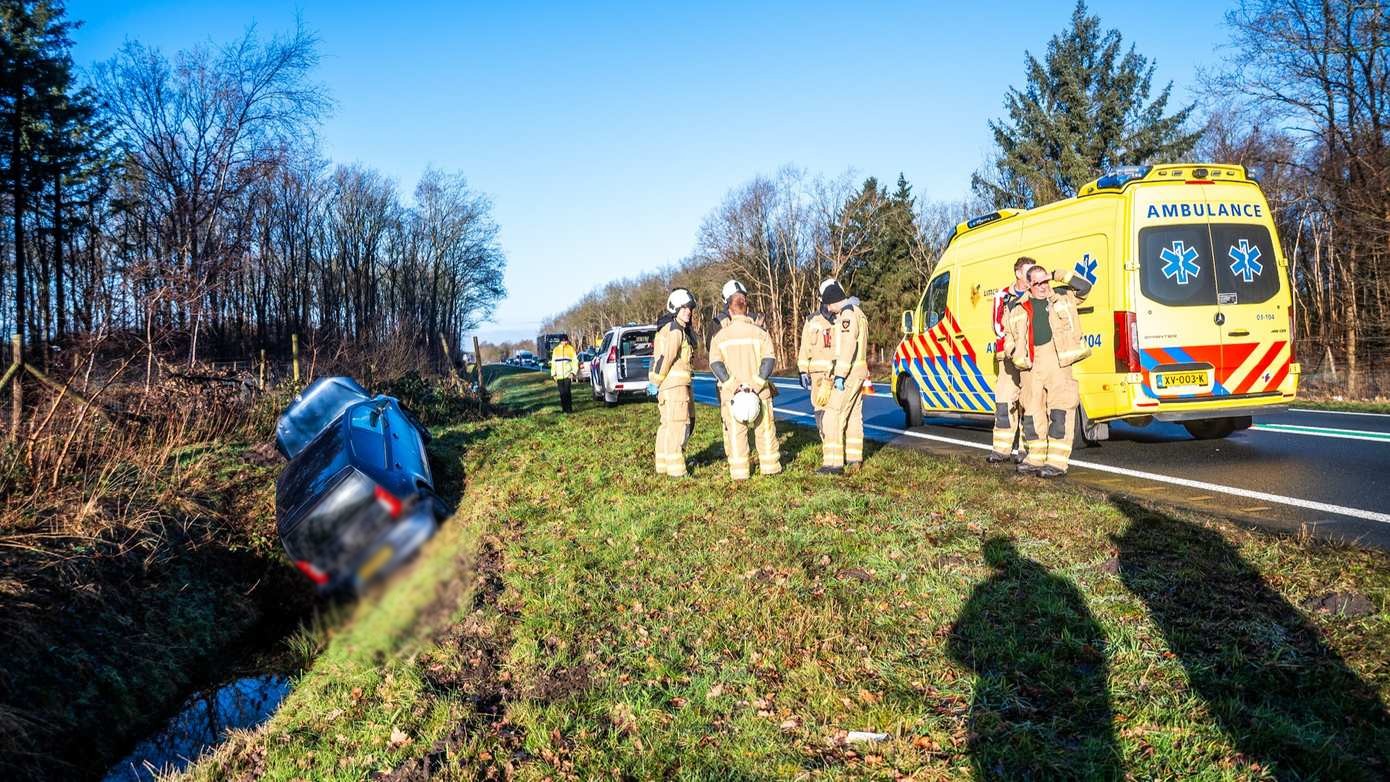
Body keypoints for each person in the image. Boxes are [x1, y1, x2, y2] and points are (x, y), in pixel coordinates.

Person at [1003, 263, 1093, 477]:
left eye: (1046, 281)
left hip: (1057, 359)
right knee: (1032, 413)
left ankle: (1056, 463)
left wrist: (1056, 274)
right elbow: (1008, 333)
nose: (1044, 286)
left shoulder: (1063, 296)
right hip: (1030, 364)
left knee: (1060, 410)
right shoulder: (1017, 306)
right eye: (1038, 283)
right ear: (1029, 285)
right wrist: (1013, 351)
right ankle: (1035, 458)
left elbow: (1086, 287)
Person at [708, 291, 780, 480]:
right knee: (764, 431)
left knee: (736, 434)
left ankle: (740, 473)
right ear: (746, 309)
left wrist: (733, 385)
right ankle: (770, 467)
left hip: (732, 395)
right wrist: (756, 384)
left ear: (729, 311)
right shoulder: (761, 333)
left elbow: (715, 363)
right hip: (759, 391)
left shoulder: (720, 336)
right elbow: (769, 359)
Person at [817, 279, 868, 475]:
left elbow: (848, 346)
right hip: (859, 371)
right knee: (854, 416)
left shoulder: (847, 315)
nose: (828, 309)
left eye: (827, 305)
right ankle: (855, 459)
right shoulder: (859, 313)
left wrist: (839, 375)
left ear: (832, 301)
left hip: (848, 374)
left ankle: (833, 463)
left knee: (833, 415)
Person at [987, 258, 1035, 463]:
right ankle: (1001, 449)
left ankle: (1027, 449)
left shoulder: (1035, 294)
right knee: (1005, 401)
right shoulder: (1003, 295)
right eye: (1028, 271)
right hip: (1007, 356)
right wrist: (1013, 342)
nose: (1032, 274)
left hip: (1029, 357)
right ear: (1018, 273)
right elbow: (998, 327)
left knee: (1030, 403)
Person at [648, 288, 697, 477]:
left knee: (667, 426)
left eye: (689, 308)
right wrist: (656, 380)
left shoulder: (667, 329)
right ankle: (677, 471)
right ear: (674, 309)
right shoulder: (675, 330)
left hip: (668, 388)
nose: (688, 311)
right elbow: (665, 358)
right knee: (678, 425)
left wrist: (656, 382)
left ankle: (663, 466)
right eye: (683, 308)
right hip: (675, 388)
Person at [797, 298, 837, 437]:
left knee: (838, 409)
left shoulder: (841, 318)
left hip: (838, 373)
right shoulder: (812, 320)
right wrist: (802, 371)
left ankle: (835, 439)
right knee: (820, 407)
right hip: (818, 376)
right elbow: (804, 348)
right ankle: (825, 437)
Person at [549, 335, 579, 413]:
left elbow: (575, 361)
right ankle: (564, 409)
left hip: (567, 375)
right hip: (558, 376)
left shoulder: (570, 349)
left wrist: (573, 372)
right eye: (563, 341)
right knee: (562, 393)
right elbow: (553, 363)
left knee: (567, 392)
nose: (565, 342)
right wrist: (553, 374)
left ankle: (569, 409)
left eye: (566, 341)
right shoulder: (556, 350)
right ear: (560, 341)